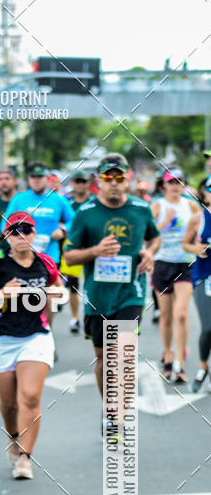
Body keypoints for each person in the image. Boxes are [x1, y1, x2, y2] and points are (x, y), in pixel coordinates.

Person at [64, 153, 161, 435]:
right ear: (99, 182)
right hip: (97, 297)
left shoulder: (142, 209)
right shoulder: (86, 214)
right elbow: (69, 256)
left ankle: (119, 413)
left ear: (129, 180)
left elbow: (154, 237)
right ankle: (109, 410)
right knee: (103, 359)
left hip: (131, 293)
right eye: (110, 178)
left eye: (121, 178)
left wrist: (149, 253)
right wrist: (95, 251)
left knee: (123, 356)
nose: (115, 184)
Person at [0, 211, 64, 479]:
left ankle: (24, 458)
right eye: (15, 232)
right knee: (8, 405)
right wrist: (2, 293)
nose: (21, 236)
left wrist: (51, 320)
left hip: (36, 336)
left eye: (26, 231)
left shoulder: (45, 262)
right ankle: (14, 437)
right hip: (3, 339)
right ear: (7, 236)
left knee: (29, 397)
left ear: (34, 234)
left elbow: (56, 290)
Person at [151, 167, 198, 383]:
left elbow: (201, 231)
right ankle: (168, 354)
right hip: (162, 265)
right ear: (164, 185)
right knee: (166, 316)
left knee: (181, 314)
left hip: (185, 265)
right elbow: (148, 237)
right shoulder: (158, 206)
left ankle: (179, 363)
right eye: (172, 182)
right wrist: (164, 221)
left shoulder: (190, 205)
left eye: (180, 182)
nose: (176, 186)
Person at [1, 162, 74, 265]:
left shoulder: (58, 199)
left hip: (50, 258)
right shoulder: (19, 199)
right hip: (21, 259)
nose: (36, 180)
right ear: (28, 179)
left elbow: (74, 220)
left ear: (47, 178)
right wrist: (18, 236)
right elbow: (4, 225)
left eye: (40, 176)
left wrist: (63, 230)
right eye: (33, 177)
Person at [183, 176, 211, 392]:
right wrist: (196, 249)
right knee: (208, 327)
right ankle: (203, 367)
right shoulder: (198, 218)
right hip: (204, 277)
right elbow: (187, 243)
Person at [60, 168, 92, 334]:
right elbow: (60, 223)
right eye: (77, 181)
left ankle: (90, 314)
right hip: (73, 247)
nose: (80, 185)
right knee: (73, 285)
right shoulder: (68, 203)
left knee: (91, 283)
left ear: (89, 183)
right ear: (73, 184)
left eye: (83, 181)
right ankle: (75, 318)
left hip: (92, 248)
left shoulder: (95, 201)